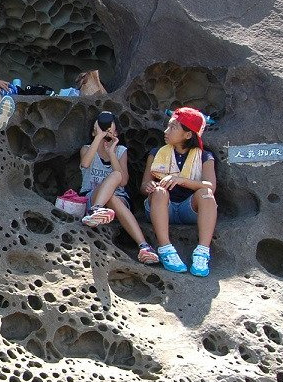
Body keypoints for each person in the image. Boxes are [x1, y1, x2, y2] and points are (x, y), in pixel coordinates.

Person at [140, 107, 217, 276]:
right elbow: (144, 185)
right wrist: (150, 187)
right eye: (168, 126)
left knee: (206, 195)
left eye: (173, 127)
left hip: (187, 209)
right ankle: (166, 249)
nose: (166, 131)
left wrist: (181, 180)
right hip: (161, 207)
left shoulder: (205, 156)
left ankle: (202, 252)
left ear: (188, 134)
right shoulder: (156, 153)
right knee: (160, 192)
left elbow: (210, 186)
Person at [77, 111, 159, 265]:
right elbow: (86, 164)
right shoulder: (86, 148)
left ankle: (143, 247)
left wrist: (112, 153)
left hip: (117, 198)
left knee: (116, 179)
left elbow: (123, 181)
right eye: (101, 128)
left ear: (117, 132)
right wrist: (99, 138)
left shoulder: (121, 151)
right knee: (113, 182)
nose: (106, 131)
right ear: (94, 131)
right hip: (91, 195)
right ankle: (143, 245)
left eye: (110, 129)